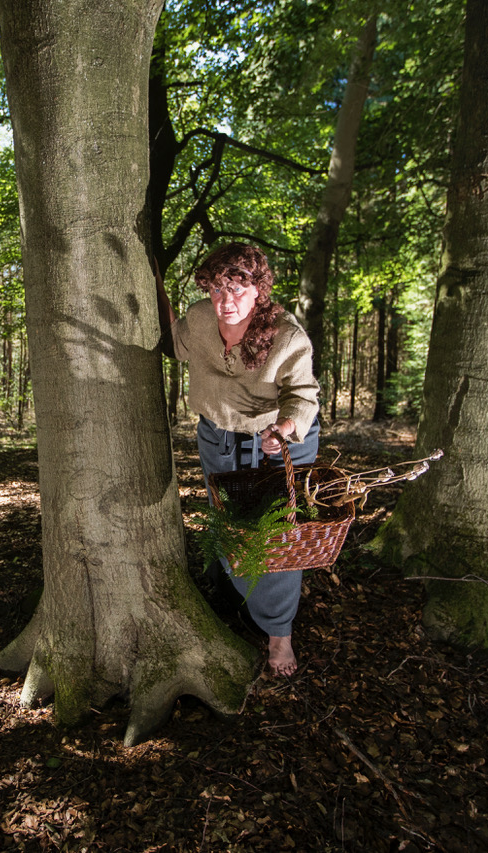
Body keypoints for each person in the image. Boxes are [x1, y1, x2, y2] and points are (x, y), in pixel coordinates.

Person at [156, 242, 321, 677]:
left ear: (259, 290)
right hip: (219, 434)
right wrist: (154, 286)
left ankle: (279, 634)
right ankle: (233, 595)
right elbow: (175, 344)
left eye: (237, 290)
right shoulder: (199, 318)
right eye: (216, 290)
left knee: (275, 536)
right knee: (230, 525)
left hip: (279, 439)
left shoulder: (286, 334)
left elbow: (303, 396)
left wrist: (281, 432)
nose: (225, 302)